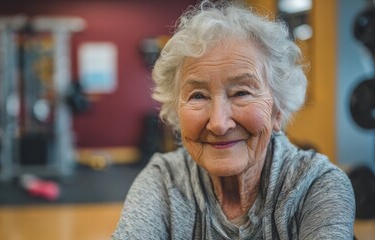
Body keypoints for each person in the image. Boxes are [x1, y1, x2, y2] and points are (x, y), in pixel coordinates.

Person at [113, 1, 355, 239]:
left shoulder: (317, 186)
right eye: (198, 95)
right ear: (177, 110)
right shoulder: (163, 182)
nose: (219, 123)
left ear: (277, 111)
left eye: (242, 93)